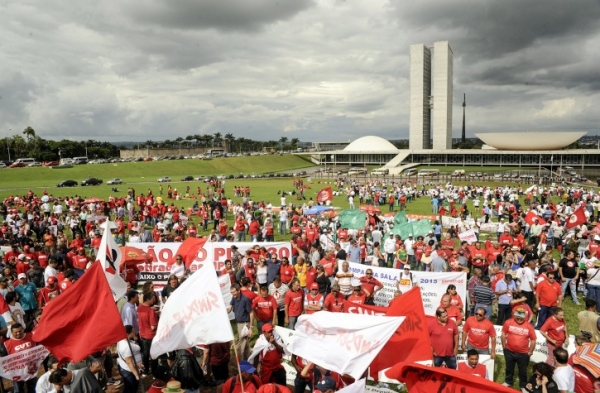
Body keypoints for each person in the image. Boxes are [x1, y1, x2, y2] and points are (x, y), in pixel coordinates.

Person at [501, 308, 536, 391]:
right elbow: (503, 333)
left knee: (523, 371)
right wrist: (504, 347)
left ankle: (523, 385)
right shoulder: (508, 322)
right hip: (509, 351)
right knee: (509, 368)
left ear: (525, 317)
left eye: (521, 318)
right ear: (514, 315)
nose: (519, 320)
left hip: (523, 353)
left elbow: (533, 340)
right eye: (518, 317)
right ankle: (508, 381)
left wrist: (530, 352)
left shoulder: (529, 326)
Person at [3, 323, 38, 391]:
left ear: (23, 330)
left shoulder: (32, 336)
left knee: (33, 387)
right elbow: (4, 358)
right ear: (12, 332)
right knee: (18, 389)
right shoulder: (7, 344)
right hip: (17, 372)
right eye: (16, 332)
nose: (18, 333)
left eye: (20, 331)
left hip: (31, 369)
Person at [227, 283, 255, 360]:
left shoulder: (245, 299)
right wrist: (225, 311)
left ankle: (241, 362)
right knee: (245, 344)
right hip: (239, 323)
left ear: (238, 290)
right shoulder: (234, 298)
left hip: (245, 324)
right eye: (231, 292)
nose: (232, 294)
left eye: (234, 292)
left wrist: (251, 328)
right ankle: (248, 359)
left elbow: (251, 313)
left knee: (240, 345)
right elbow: (230, 307)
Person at [137, 291, 159, 375]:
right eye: (153, 299)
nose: (154, 300)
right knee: (154, 355)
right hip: (151, 336)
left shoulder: (139, 308)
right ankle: (154, 372)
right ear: (148, 299)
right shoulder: (150, 311)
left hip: (142, 335)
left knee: (145, 354)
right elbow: (153, 326)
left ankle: (145, 370)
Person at [116, 325, 142, 393]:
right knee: (130, 388)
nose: (134, 332)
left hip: (125, 367)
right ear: (127, 334)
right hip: (129, 370)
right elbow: (129, 361)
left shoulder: (121, 340)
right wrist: (136, 374)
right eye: (133, 331)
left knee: (129, 387)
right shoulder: (126, 346)